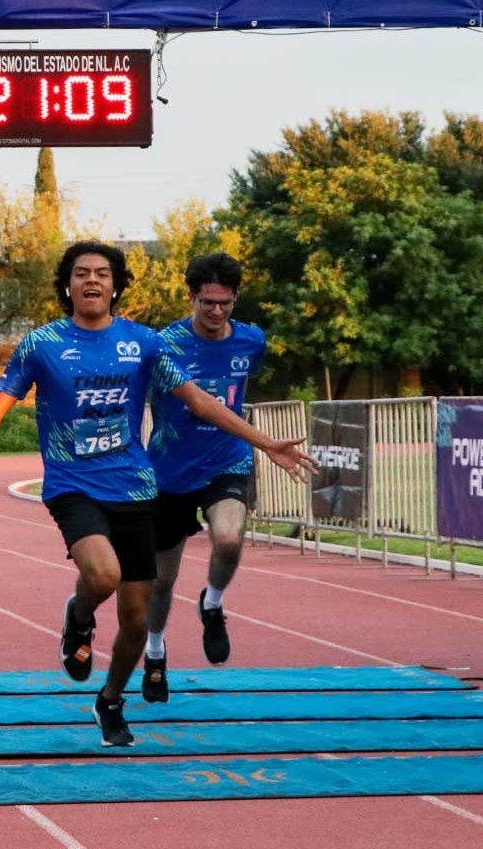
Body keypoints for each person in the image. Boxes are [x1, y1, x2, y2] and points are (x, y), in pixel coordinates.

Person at [0, 241, 315, 747]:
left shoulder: (144, 343)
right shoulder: (42, 344)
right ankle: (79, 617)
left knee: (137, 619)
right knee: (103, 573)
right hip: (73, 485)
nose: (92, 281)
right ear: (68, 284)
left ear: (116, 285)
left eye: (102, 273)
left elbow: (199, 402)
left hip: (134, 485)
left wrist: (266, 443)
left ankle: (110, 700)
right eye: (82, 273)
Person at [140, 253, 266, 702]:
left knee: (229, 538)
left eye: (225, 303)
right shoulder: (163, 344)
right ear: (191, 297)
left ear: (235, 300)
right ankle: (154, 651)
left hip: (226, 460)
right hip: (170, 472)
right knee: (161, 581)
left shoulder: (251, 341)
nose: (216, 312)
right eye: (208, 303)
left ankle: (212, 603)